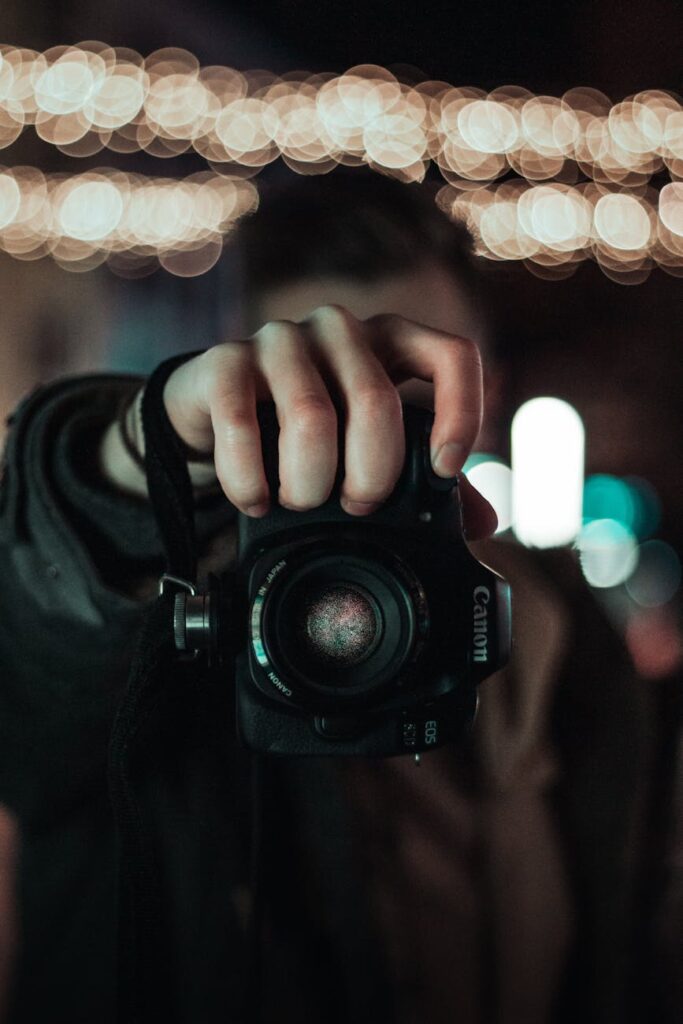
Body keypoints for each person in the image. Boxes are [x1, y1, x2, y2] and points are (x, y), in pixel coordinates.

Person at [0, 170, 656, 1024]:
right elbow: (34, 686)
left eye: (412, 388)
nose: (371, 430)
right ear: (244, 377)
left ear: (482, 386)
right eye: (321, 390)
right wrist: (139, 463)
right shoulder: (155, 622)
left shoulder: (573, 639)